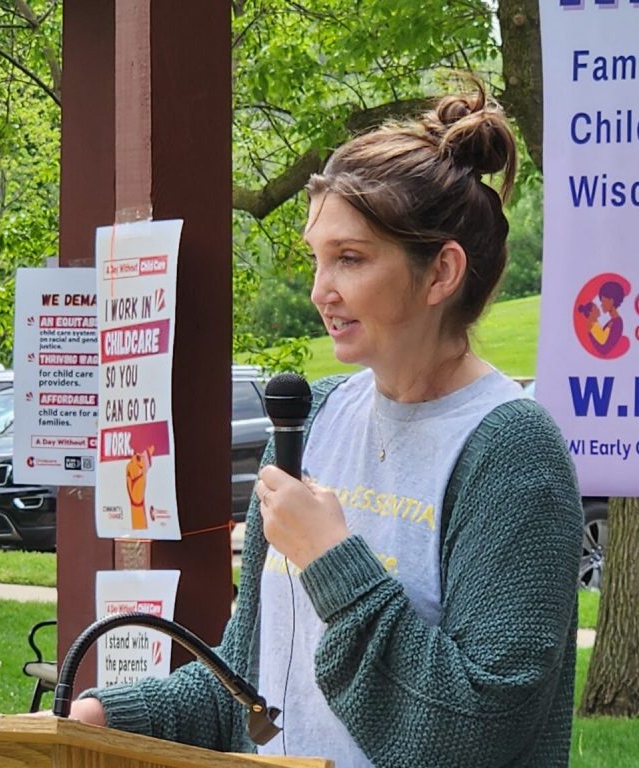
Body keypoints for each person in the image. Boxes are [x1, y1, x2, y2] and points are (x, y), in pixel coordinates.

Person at [68, 77, 583, 768]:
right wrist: (111, 717)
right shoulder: (314, 420)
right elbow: (251, 683)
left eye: (350, 258)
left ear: (440, 274)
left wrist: (331, 562)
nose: (320, 292)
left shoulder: (511, 452)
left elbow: (474, 734)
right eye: (317, 259)